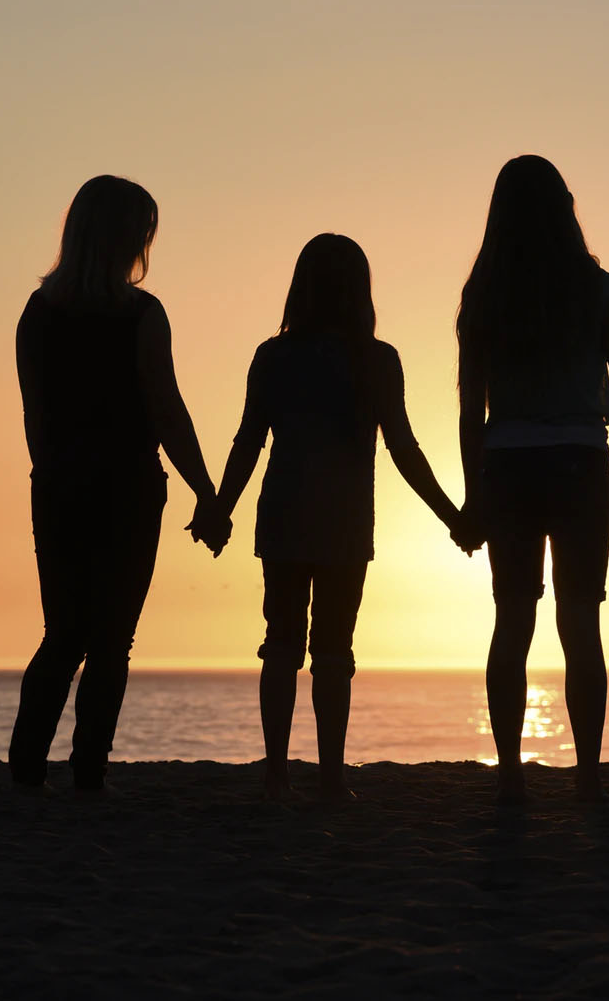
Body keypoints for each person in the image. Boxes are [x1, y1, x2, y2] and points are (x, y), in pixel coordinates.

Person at [458, 156, 609, 806]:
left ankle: (510, 772)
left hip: (507, 464)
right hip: (580, 462)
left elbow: (469, 412)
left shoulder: (484, 298)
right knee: (580, 622)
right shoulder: (601, 292)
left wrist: (472, 496)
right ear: (566, 207)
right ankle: (589, 775)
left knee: (512, 619)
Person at [198, 234, 475, 803]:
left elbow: (248, 441)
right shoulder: (376, 359)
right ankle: (330, 776)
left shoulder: (274, 356)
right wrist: (453, 516)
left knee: (280, 643)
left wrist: (221, 507)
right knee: (333, 649)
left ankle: (277, 773)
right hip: (345, 522)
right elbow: (404, 448)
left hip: (284, 514)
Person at [7, 174, 221, 792]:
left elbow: (35, 416)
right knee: (108, 641)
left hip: (62, 486)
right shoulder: (140, 315)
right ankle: (87, 771)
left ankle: (29, 768)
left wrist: (50, 476)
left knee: (65, 633)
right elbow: (166, 409)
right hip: (125, 486)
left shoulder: (40, 313)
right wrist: (205, 492)